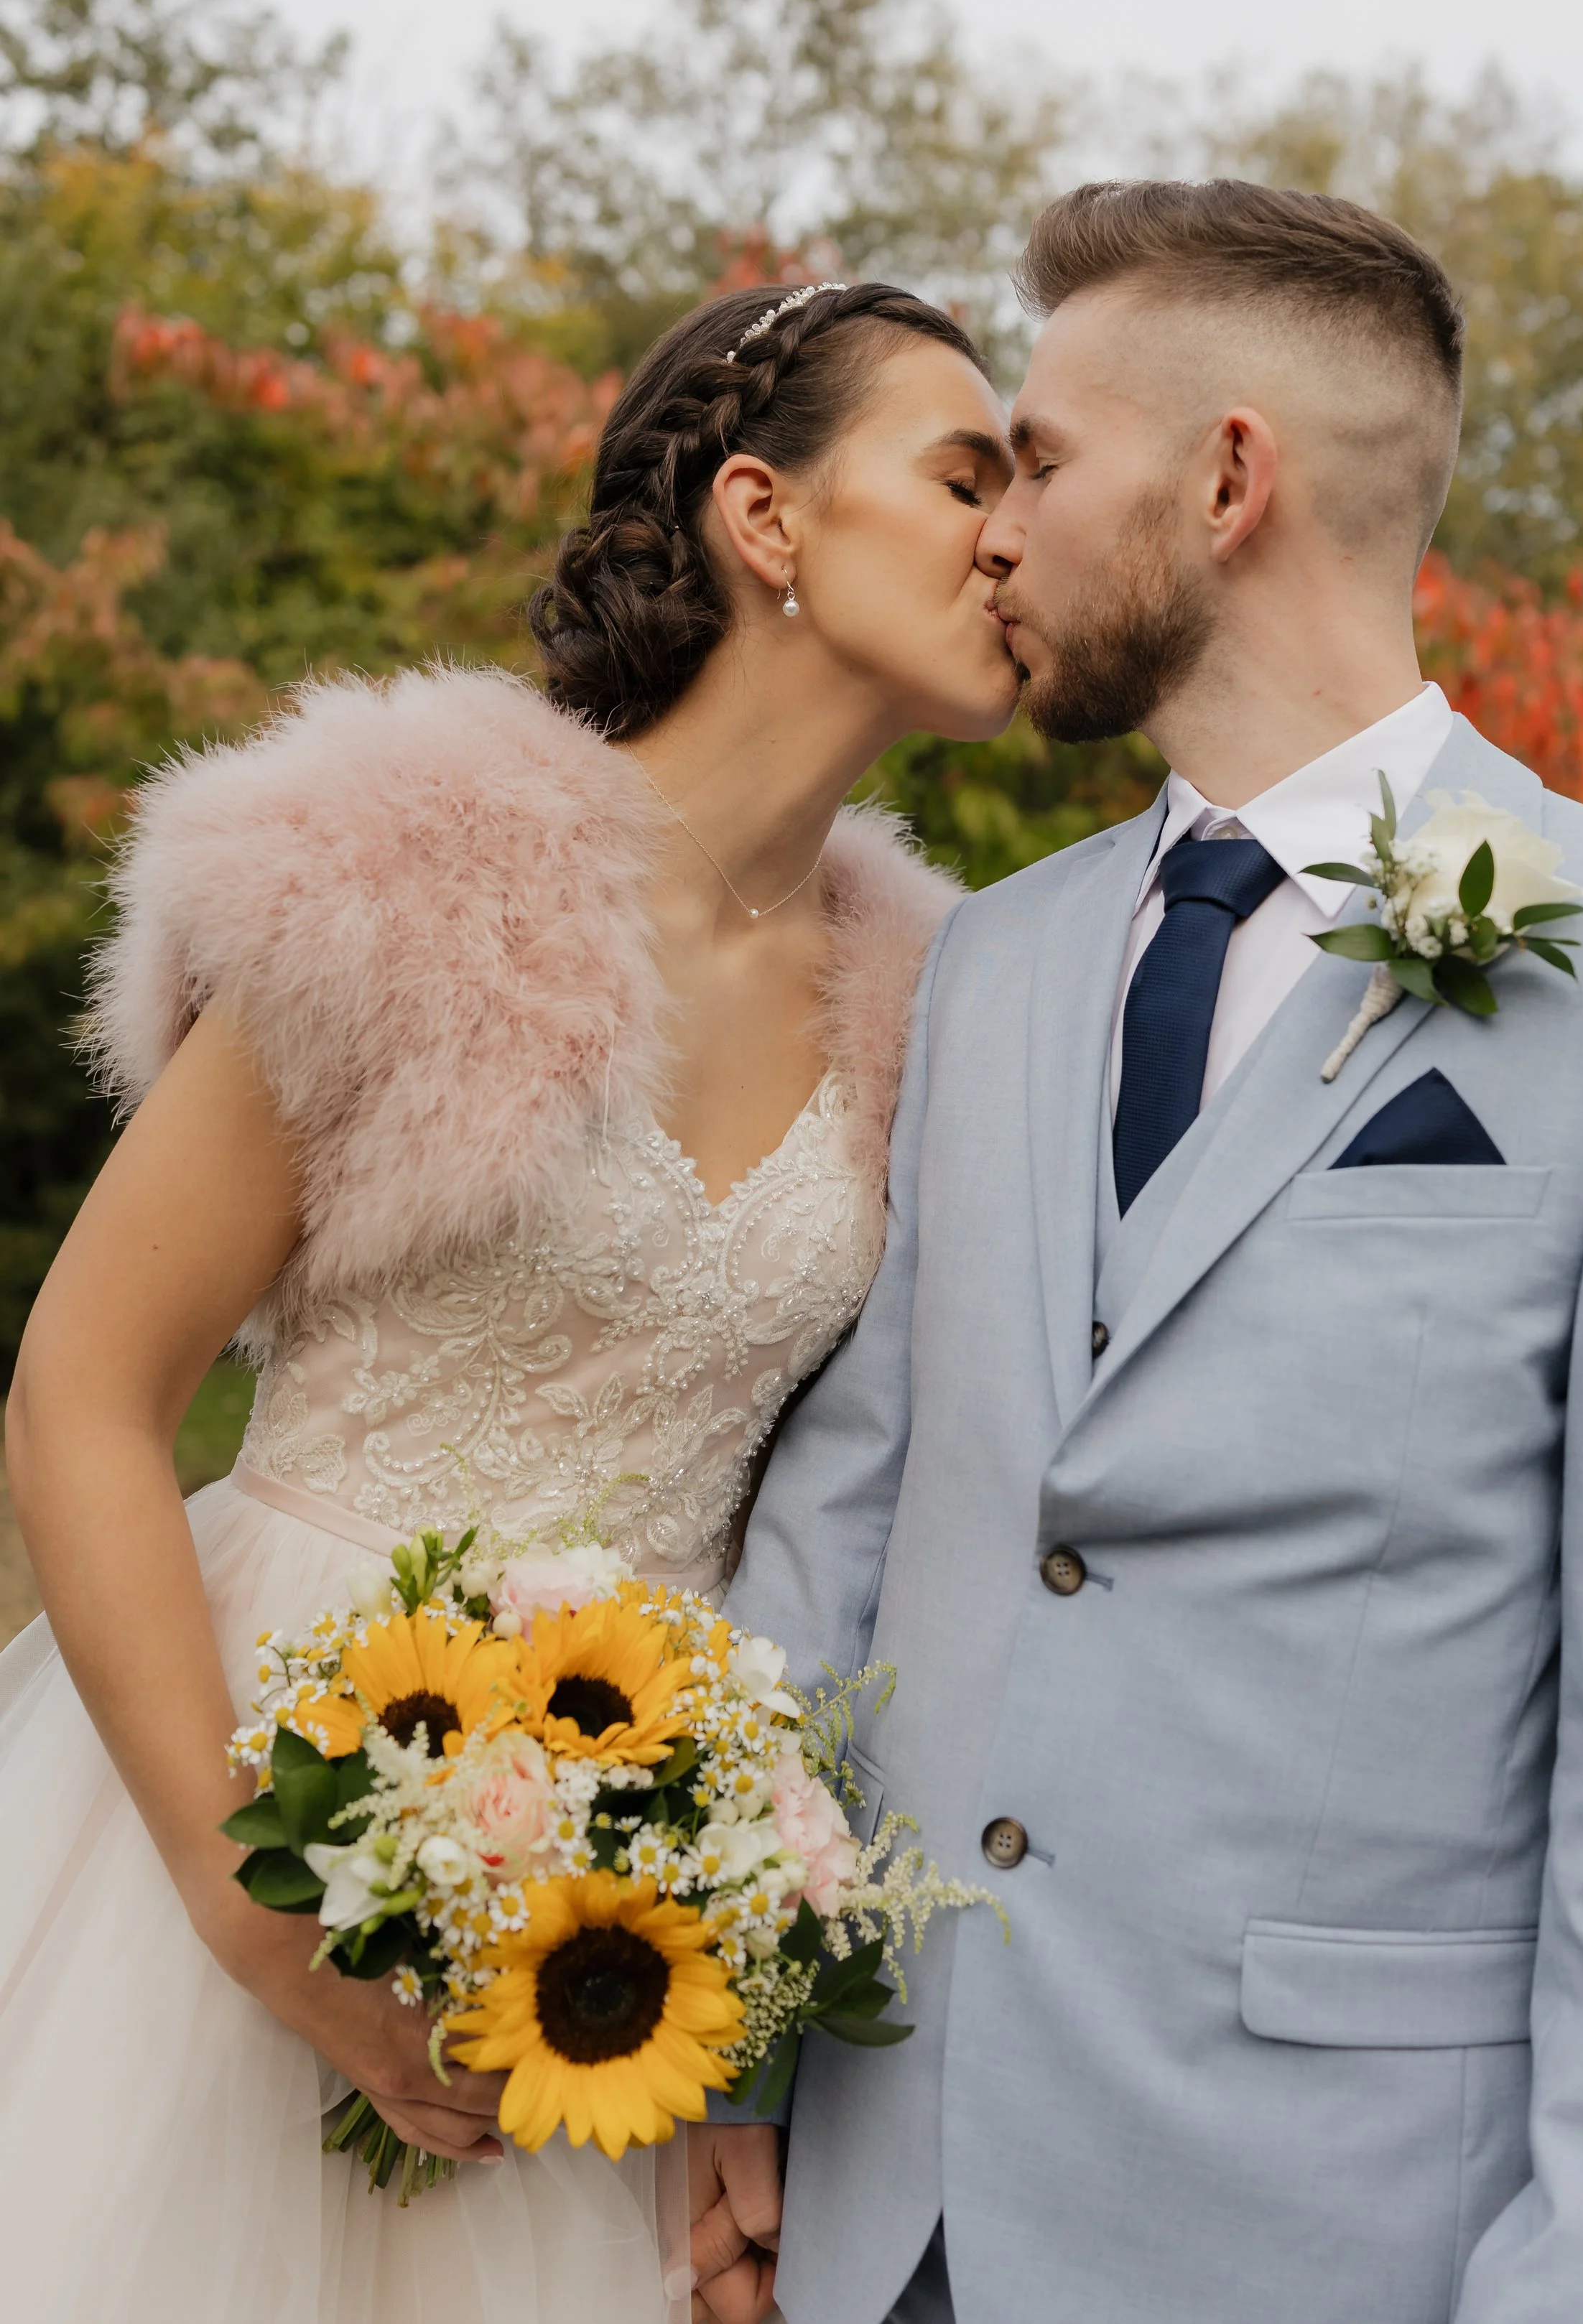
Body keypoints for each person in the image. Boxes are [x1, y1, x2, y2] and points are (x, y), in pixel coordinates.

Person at [721, 181, 1583, 2323]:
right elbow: (849, 1521)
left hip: (1335, 2235)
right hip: (883, 2213)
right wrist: (725, 2064)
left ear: (1226, 478)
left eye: (1035, 457)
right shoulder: (991, 964)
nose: (992, 530)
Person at [0, 278, 1018, 2324]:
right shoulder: (404, 876)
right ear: (765, 513)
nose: (1015, 531)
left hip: (626, 1896)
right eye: (963, 471)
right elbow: (84, 1391)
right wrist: (250, 1910)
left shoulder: (941, 1003)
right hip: (257, 1780)